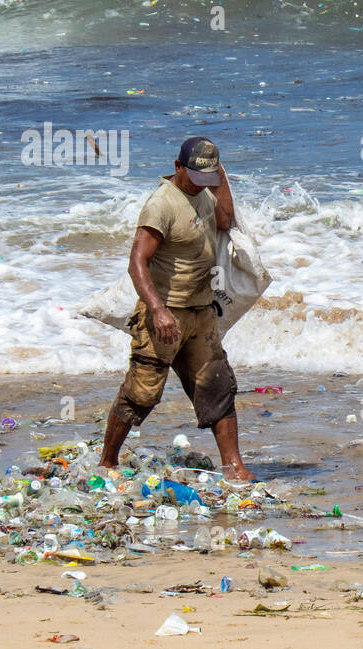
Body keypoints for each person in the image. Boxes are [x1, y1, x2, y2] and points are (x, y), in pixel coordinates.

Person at [99, 137, 254, 482]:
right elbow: (137, 262)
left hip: (201, 313)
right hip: (164, 315)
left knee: (217, 385)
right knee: (142, 392)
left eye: (208, 177)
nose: (202, 185)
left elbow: (226, 221)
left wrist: (219, 174)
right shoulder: (162, 204)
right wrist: (156, 309)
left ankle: (234, 466)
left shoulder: (206, 191)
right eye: (196, 177)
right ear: (177, 167)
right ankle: (108, 461)